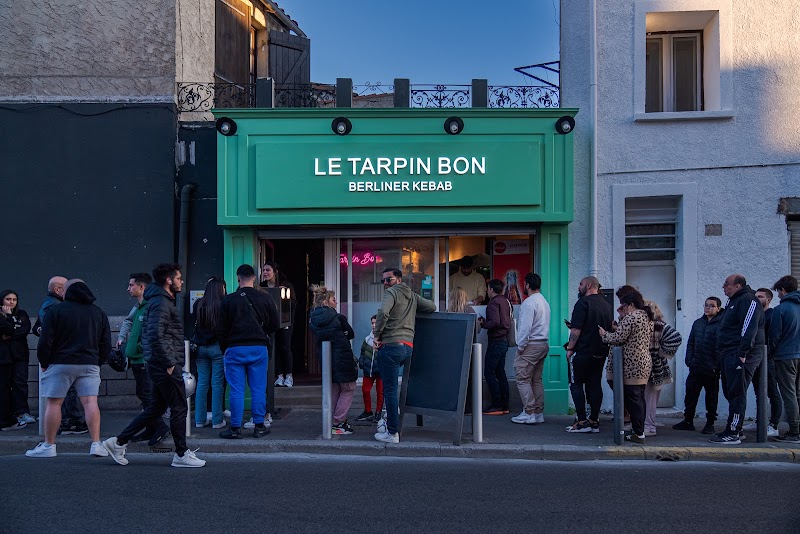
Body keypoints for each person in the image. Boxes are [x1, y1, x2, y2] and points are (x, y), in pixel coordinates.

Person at [102, 263, 206, 468]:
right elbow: (156, 335)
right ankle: (181, 454)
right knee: (179, 406)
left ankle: (118, 442)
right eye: (178, 278)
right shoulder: (161, 303)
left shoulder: (159, 300)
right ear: (168, 280)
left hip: (157, 364)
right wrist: (169, 363)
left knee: (155, 408)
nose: (181, 281)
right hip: (164, 365)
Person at [26, 279, 111, 458]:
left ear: (67, 292)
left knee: (54, 403)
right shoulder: (98, 313)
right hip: (89, 363)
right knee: (90, 403)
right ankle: (96, 443)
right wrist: (98, 361)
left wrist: (44, 362)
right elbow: (105, 343)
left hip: (60, 363)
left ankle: (49, 445)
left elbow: (45, 340)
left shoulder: (55, 310)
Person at [373, 268, 436, 443]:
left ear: (399, 279)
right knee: (396, 389)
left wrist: (377, 335)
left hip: (391, 345)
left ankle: (392, 432)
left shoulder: (391, 293)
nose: (386, 283)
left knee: (390, 390)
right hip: (407, 347)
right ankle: (389, 423)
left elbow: (383, 312)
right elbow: (432, 307)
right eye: (383, 281)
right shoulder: (412, 296)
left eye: (389, 279)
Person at [217, 264, 279, 440]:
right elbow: (274, 325)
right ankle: (259, 426)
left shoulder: (228, 300)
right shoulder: (265, 298)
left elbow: (220, 329)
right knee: (258, 388)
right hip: (258, 348)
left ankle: (235, 428)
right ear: (254, 277)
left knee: (236, 389)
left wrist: (225, 348)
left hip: (234, 348)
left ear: (238, 278)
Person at [710, 273, 764, 445]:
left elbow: (749, 327)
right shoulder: (733, 301)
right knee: (729, 390)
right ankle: (736, 429)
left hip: (739, 354)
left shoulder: (748, 300)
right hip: (727, 353)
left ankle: (733, 432)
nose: (723, 287)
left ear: (738, 285)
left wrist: (742, 353)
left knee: (736, 392)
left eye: (726, 284)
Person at [599, 290, 654, 444]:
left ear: (630, 305)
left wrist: (604, 334)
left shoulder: (631, 317)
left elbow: (618, 338)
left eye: (623, 305)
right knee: (639, 398)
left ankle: (638, 433)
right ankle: (639, 431)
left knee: (633, 399)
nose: (621, 308)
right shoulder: (646, 316)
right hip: (643, 361)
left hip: (631, 363)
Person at [34, 276, 87, 435]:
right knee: (67, 390)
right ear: (58, 290)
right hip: (61, 355)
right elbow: (47, 330)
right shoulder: (54, 306)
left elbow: (39, 329)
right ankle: (72, 421)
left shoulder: (51, 304)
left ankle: (67, 421)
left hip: (59, 354)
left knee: (64, 390)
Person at [564, 276, 614, 433]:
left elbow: (576, 330)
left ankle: (581, 421)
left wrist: (570, 348)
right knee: (594, 384)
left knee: (576, 384)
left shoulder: (582, 303)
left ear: (589, 285)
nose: (578, 287)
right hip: (600, 352)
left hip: (583, 351)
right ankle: (594, 420)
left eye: (580, 284)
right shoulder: (606, 305)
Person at [309, 286, 359, 435]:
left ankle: (331, 421)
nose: (336, 301)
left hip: (326, 359)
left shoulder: (313, 320)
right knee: (348, 388)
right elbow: (350, 333)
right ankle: (338, 422)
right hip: (342, 358)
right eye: (333, 299)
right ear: (325, 302)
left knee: (334, 389)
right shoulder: (338, 318)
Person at [674, 297, 724, 434]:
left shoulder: (722, 324)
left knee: (711, 397)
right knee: (690, 395)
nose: (708, 308)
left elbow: (721, 346)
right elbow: (691, 343)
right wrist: (689, 360)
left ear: (718, 308)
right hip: (696, 366)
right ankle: (688, 420)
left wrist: (716, 366)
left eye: (712, 306)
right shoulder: (698, 323)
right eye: (706, 305)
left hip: (711, 368)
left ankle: (710, 423)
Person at [511, 273, 550, 425]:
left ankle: (529, 412)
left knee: (522, 378)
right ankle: (538, 413)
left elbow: (525, 328)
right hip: (543, 343)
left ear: (527, 285)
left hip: (531, 345)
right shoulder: (544, 301)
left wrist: (520, 347)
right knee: (536, 379)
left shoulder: (529, 303)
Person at [742, 288, 781, 436]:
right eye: (756, 296)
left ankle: (774, 425)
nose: (757, 299)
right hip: (755, 359)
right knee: (759, 392)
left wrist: (769, 355)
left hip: (768, 360)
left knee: (772, 391)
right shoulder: (756, 314)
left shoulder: (772, 315)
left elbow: (774, 337)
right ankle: (760, 421)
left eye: (760, 297)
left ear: (768, 299)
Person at [192, 276, 227, 430]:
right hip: (217, 348)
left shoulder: (198, 304)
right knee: (217, 384)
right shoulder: (223, 305)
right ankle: (217, 420)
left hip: (200, 348)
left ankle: (199, 419)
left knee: (202, 383)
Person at [643, 301, 682, 437]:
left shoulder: (655, 326)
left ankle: (649, 426)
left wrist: (662, 352)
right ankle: (648, 423)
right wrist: (663, 353)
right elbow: (675, 337)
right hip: (658, 366)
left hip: (650, 365)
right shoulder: (660, 325)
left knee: (647, 397)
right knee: (651, 397)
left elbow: (676, 337)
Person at [769, 275, 800, 442]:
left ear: (783, 290)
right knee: (798, 393)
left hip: (786, 356)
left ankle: (794, 431)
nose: (778, 295)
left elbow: (775, 337)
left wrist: (771, 354)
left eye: (778, 292)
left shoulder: (780, 310)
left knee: (789, 394)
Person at [0, 290, 35, 427]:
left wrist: (9, 333)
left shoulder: (22, 314)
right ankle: (8, 415)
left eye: (14, 299)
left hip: (20, 356)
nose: (11, 302)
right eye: (8, 299)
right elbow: (7, 329)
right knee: (5, 386)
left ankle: (22, 412)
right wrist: (9, 323)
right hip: (4, 357)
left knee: (20, 383)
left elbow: (23, 330)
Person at [261, 261, 297, 388]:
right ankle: (279, 375)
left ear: (275, 272)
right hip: (269, 322)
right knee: (273, 347)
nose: (265, 272)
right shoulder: (261, 287)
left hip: (285, 321)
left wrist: (283, 296)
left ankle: (289, 376)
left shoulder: (286, 286)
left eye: (268, 270)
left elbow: (294, 305)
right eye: (264, 270)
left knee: (285, 347)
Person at [479, 279, 512, 416]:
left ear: (492, 289)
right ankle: (504, 404)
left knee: (489, 372)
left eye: (488, 288)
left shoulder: (493, 303)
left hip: (496, 341)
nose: (487, 291)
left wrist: (483, 324)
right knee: (500, 373)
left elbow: (495, 322)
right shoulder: (506, 301)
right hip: (504, 341)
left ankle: (497, 404)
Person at [447, 286, 479, 414]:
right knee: (469, 380)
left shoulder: (447, 312)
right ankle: (468, 408)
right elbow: (477, 330)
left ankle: (454, 406)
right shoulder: (470, 311)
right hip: (469, 350)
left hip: (452, 351)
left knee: (453, 379)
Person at [356, 315, 383, 423]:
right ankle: (368, 411)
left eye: (376, 323)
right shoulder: (367, 339)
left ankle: (378, 413)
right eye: (372, 323)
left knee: (380, 392)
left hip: (381, 371)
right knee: (365, 390)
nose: (373, 325)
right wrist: (362, 362)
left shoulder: (384, 339)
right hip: (369, 370)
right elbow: (362, 352)